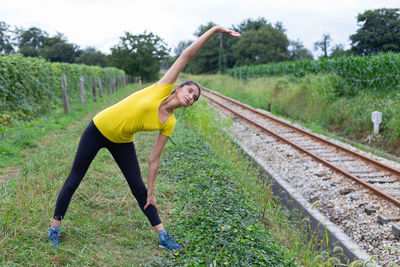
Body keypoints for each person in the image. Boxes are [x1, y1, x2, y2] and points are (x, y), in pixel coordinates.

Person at [46, 26, 240, 250]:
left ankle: (163, 236)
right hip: (98, 128)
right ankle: (54, 228)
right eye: (189, 92)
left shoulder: (170, 123)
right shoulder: (162, 87)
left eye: (194, 98)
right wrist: (214, 30)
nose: (190, 97)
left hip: (122, 140)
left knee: (139, 189)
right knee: (74, 179)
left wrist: (151, 190)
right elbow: (186, 55)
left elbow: (154, 160)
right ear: (178, 88)